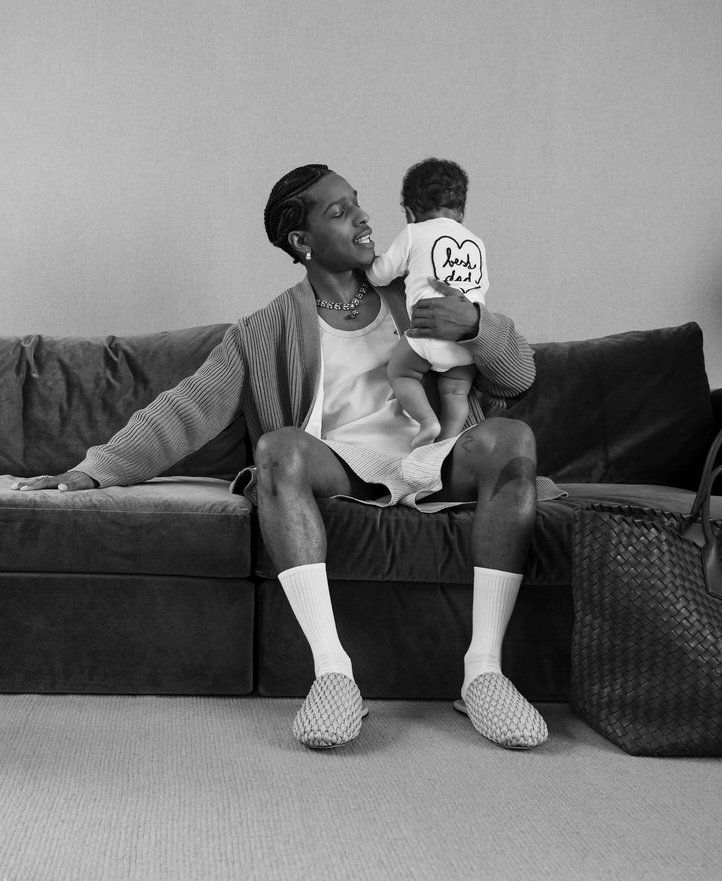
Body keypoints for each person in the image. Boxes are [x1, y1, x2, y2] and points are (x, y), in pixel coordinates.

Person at [12, 163, 560, 751]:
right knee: (276, 452)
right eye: (339, 211)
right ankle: (332, 674)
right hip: (342, 464)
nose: (362, 216)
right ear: (301, 242)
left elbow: (518, 377)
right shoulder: (263, 330)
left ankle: (484, 674)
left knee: (513, 440)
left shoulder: (415, 289)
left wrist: (476, 325)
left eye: (357, 202)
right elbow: (186, 409)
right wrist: (94, 469)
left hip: (437, 456)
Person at [367, 158, 488, 449]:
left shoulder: (413, 233)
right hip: (467, 342)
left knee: (401, 372)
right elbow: (480, 288)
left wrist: (368, 266)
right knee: (456, 393)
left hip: (426, 333)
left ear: (409, 213)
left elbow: (382, 275)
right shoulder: (476, 242)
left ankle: (427, 421)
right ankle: (447, 440)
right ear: (461, 211)